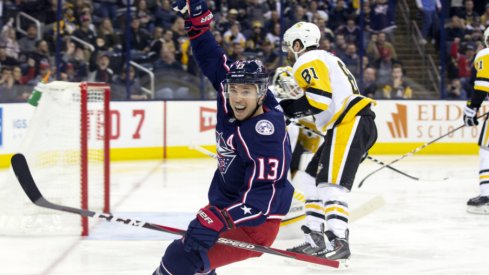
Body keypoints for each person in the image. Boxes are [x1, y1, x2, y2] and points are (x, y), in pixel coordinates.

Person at [152, 1, 294, 274]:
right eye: (234, 90)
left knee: (180, 257)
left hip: (255, 223)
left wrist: (220, 219)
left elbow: (261, 200)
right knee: (195, 255)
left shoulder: (266, 133)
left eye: (246, 92)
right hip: (226, 206)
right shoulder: (233, 94)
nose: (238, 97)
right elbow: (214, 61)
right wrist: (198, 26)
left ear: (261, 94)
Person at [280, 22, 377, 265]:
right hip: (346, 125)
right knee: (309, 179)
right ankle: (316, 239)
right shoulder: (325, 58)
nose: (290, 52)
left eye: (291, 46)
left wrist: (286, 109)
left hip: (349, 124)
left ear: (298, 43)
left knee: (331, 185)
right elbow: (324, 102)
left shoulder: (307, 60)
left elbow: (319, 101)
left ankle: (338, 242)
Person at [462, 27, 489, 215]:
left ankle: (487, 196)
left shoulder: (486, 54)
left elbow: (483, 85)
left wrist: (472, 108)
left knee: (487, 150)